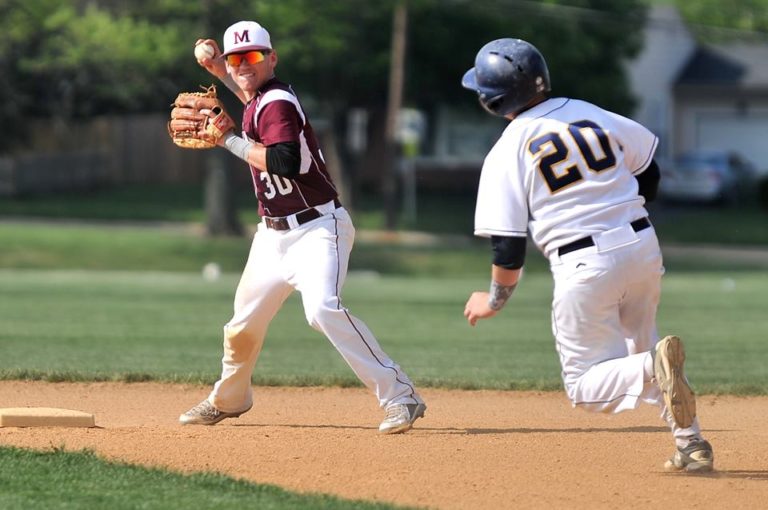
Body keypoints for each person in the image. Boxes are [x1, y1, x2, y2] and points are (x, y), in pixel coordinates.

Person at [461, 38, 713, 472]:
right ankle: (691, 443)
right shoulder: (591, 112)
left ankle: (656, 369)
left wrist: (493, 300)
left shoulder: (507, 149)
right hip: (641, 245)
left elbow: (508, 247)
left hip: (584, 263)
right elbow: (647, 172)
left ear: (491, 99)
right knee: (644, 346)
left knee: (587, 386)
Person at [179, 20, 426, 434]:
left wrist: (227, 140)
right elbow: (250, 97)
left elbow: (285, 163)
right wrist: (221, 73)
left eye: (253, 56)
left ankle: (401, 396)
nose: (244, 64)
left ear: (271, 58)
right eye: (236, 57)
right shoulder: (259, 98)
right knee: (242, 325)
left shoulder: (277, 102)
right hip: (272, 235)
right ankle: (231, 399)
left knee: (322, 309)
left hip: (316, 228)